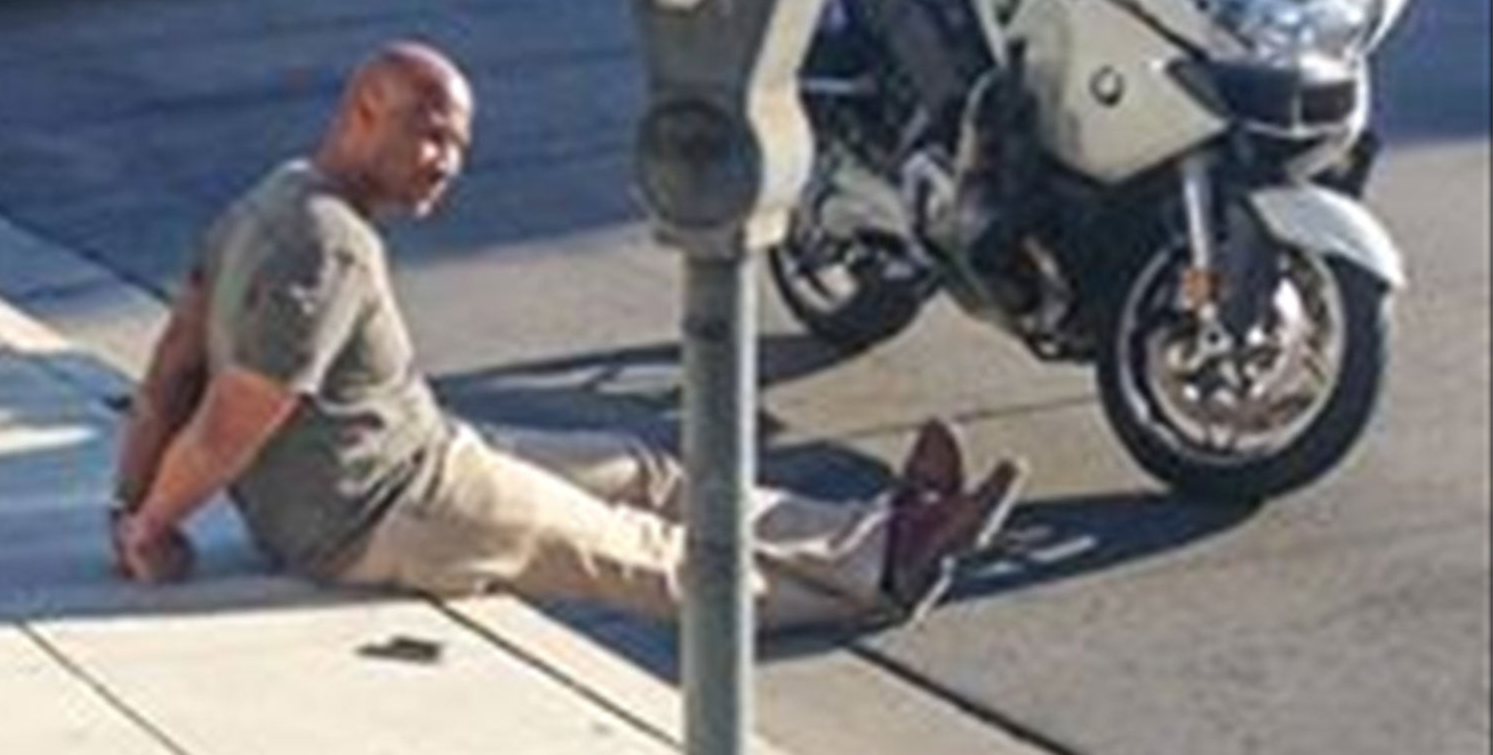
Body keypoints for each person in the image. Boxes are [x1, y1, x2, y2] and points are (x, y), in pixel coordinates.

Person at [107, 42, 1026, 630]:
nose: (447, 166)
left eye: (458, 146)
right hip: (382, 512)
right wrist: (153, 525)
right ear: (363, 111)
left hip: (423, 456)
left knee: (646, 471)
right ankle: (886, 570)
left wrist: (126, 500)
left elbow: (170, 365)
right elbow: (234, 413)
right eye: (430, 136)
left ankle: (874, 526)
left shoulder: (274, 197)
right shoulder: (327, 246)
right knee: (646, 554)